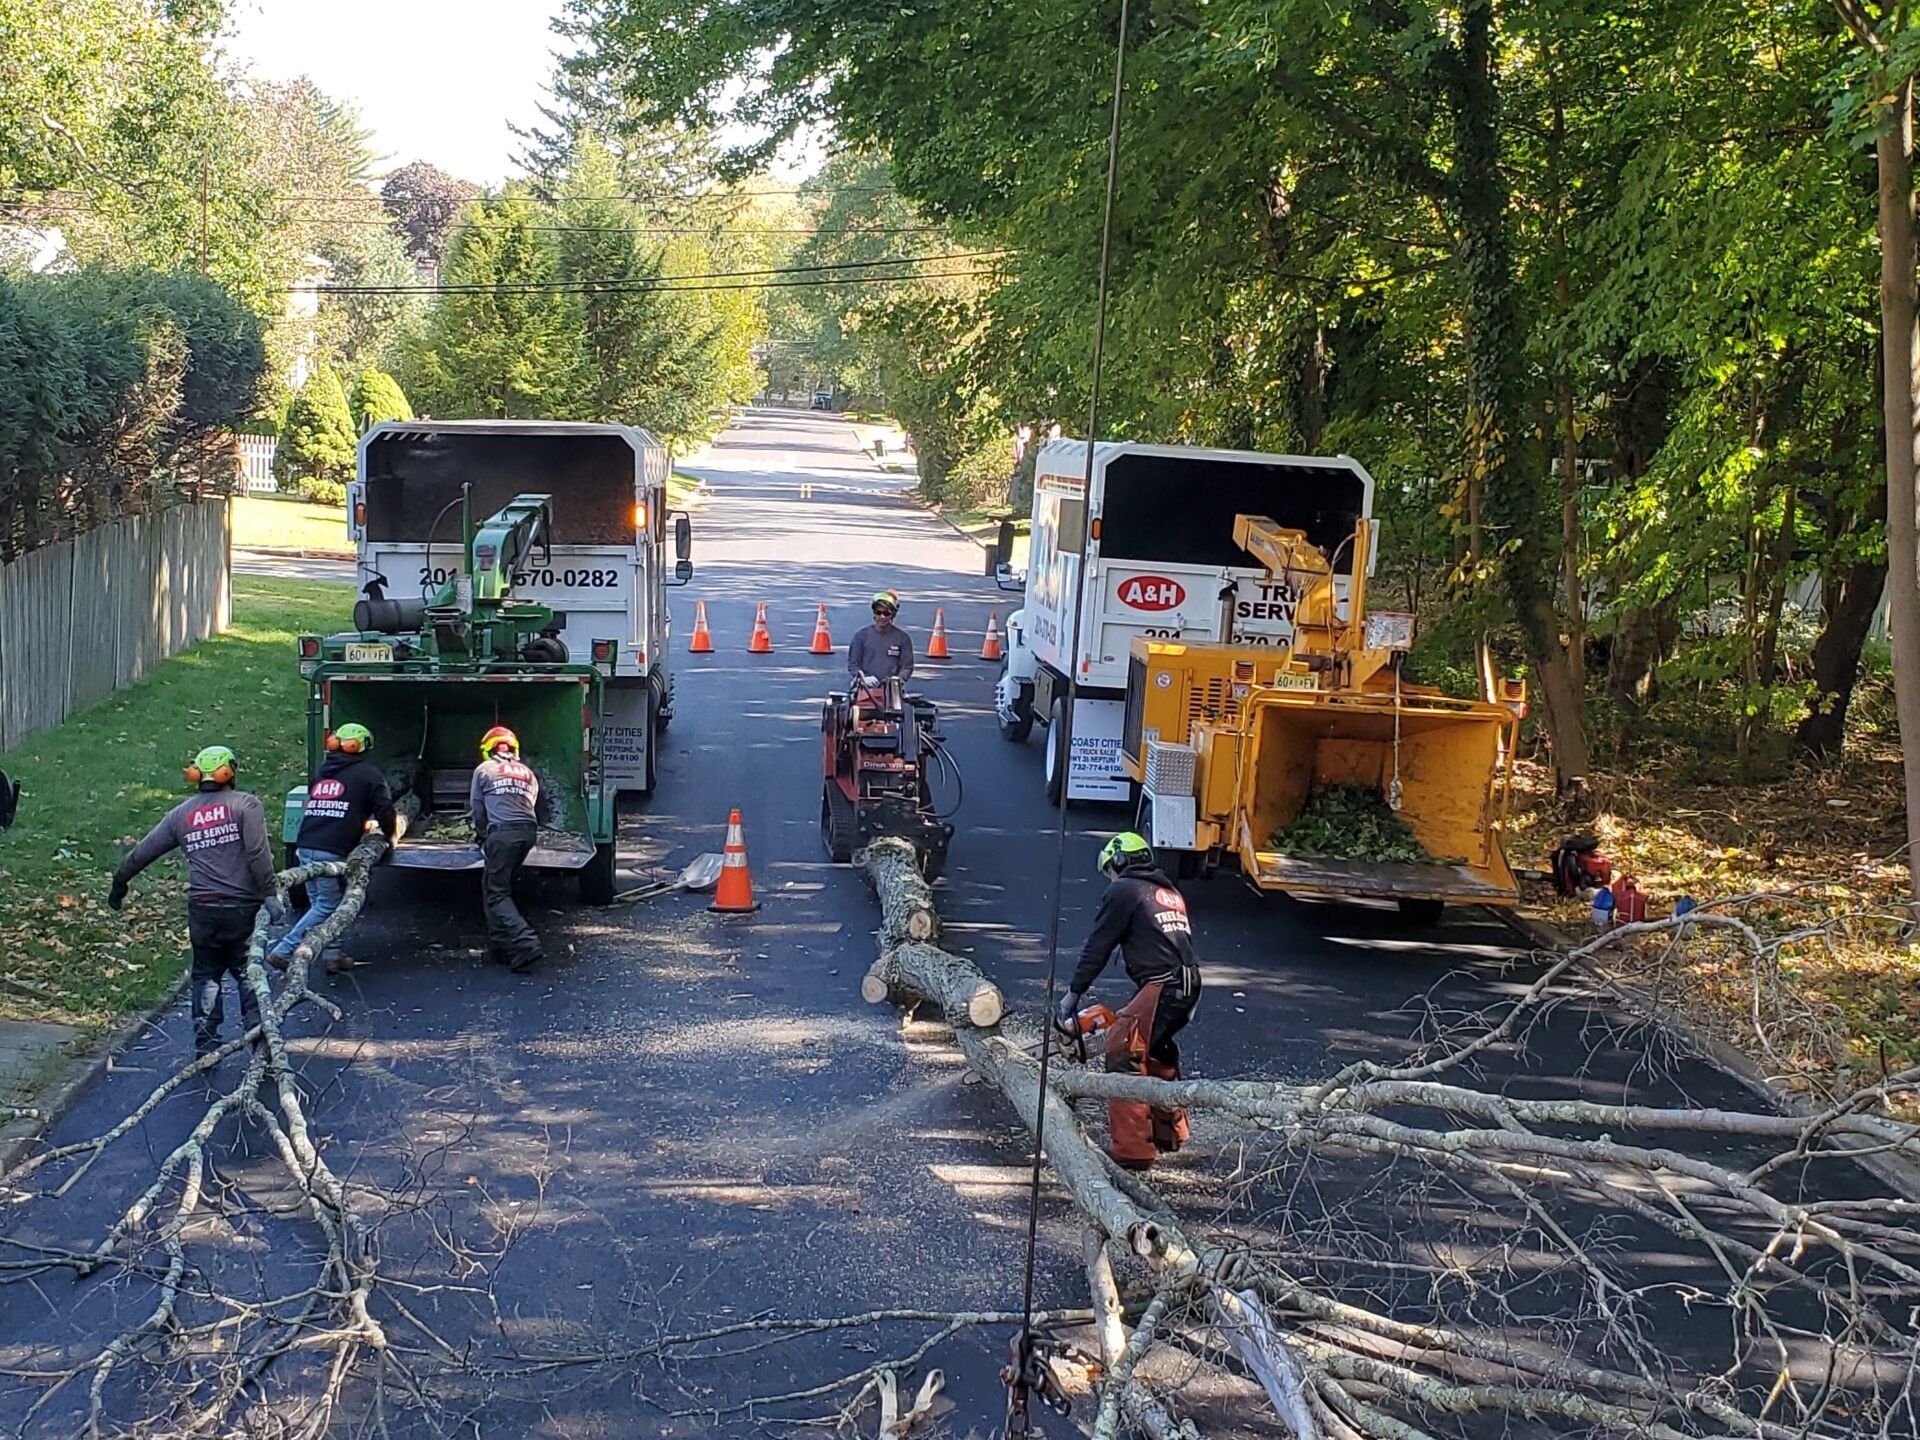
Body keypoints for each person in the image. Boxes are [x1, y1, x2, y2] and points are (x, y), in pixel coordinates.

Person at [109, 744, 283, 1058]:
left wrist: (119, 882)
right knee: (247, 970)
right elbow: (258, 853)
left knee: (206, 973)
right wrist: (270, 893)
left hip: (202, 908)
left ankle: (206, 1044)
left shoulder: (181, 814)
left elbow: (144, 852)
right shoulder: (246, 805)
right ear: (229, 772)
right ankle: (260, 1040)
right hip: (242, 906)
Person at [1054, 832, 1203, 1170]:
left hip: (1163, 984)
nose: (1110, 877)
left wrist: (1074, 993)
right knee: (1157, 1050)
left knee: (1123, 1053)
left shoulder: (1124, 889)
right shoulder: (1167, 891)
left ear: (1119, 860)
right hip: (1189, 982)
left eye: (1111, 869)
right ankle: (1170, 1133)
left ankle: (1133, 1153)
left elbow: (1099, 944)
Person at [270, 722, 397, 975]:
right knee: (327, 906)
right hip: (330, 850)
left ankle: (333, 956)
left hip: (305, 844)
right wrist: (390, 835)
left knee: (322, 902)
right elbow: (384, 808)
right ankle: (284, 950)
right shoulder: (368, 775)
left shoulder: (322, 772)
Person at [470, 726, 543, 972]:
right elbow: (531, 802)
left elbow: (478, 807)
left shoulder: (484, 770)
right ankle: (501, 946)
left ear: (488, 750)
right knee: (493, 884)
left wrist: (481, 834)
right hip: (528, 832)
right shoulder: (527, 772)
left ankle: (526, 942)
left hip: (503, 833)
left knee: (497, 892)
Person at [847, 589, 915, 686]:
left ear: (893, 615)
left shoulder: (903, 639)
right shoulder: (861, 636)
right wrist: (862, 678)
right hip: (866, 688)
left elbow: (907, 667)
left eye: (886, 613)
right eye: (878, 612)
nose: (882, 617)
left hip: (892, 690)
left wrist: (897, 681)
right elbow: (853, 664)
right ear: (874, 613)